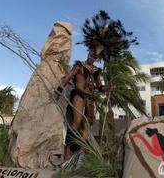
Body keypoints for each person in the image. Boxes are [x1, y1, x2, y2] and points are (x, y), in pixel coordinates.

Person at [55, 10, 138, 160]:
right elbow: (67, 78)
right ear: (89, 52)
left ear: (98, 57)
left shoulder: (97, 71)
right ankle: (67, 151)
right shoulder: (79, 65)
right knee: (77, 121)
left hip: (90, 98)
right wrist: (58, 90)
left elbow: (99, 88)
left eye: (96, 54)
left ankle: (76, 151)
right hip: (78, 94)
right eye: (92, 52)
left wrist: (108, 88)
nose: (93, 55)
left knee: (87, 127)